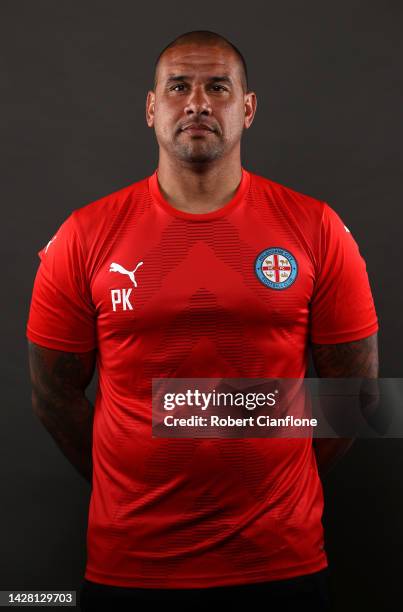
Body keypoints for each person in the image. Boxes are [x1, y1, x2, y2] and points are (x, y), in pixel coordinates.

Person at [26, 30, 379, 611]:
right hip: (131, 566)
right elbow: (51, 396)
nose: (196, 102)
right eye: (178, 87)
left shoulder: (314, 228)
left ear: (247, 108)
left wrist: (278, 483)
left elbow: (357, 396)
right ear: (150, 108)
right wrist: (127, 488)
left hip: (280, 560)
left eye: (217, 87)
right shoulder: (84, 235)